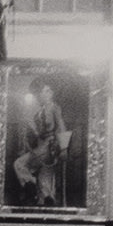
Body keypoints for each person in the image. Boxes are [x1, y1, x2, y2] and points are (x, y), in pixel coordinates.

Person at [13, 78, 67, 207]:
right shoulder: (39, 112)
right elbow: (40, 133)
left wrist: (64, 149)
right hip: (41, 147)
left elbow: (61, 126)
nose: (50, 93)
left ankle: (31, 185)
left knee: (19, 164)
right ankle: (44, 198)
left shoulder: (54, 108)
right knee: (44, 183)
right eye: (45, 91)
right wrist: (33, 130)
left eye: (48, 90)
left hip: (49, 147)